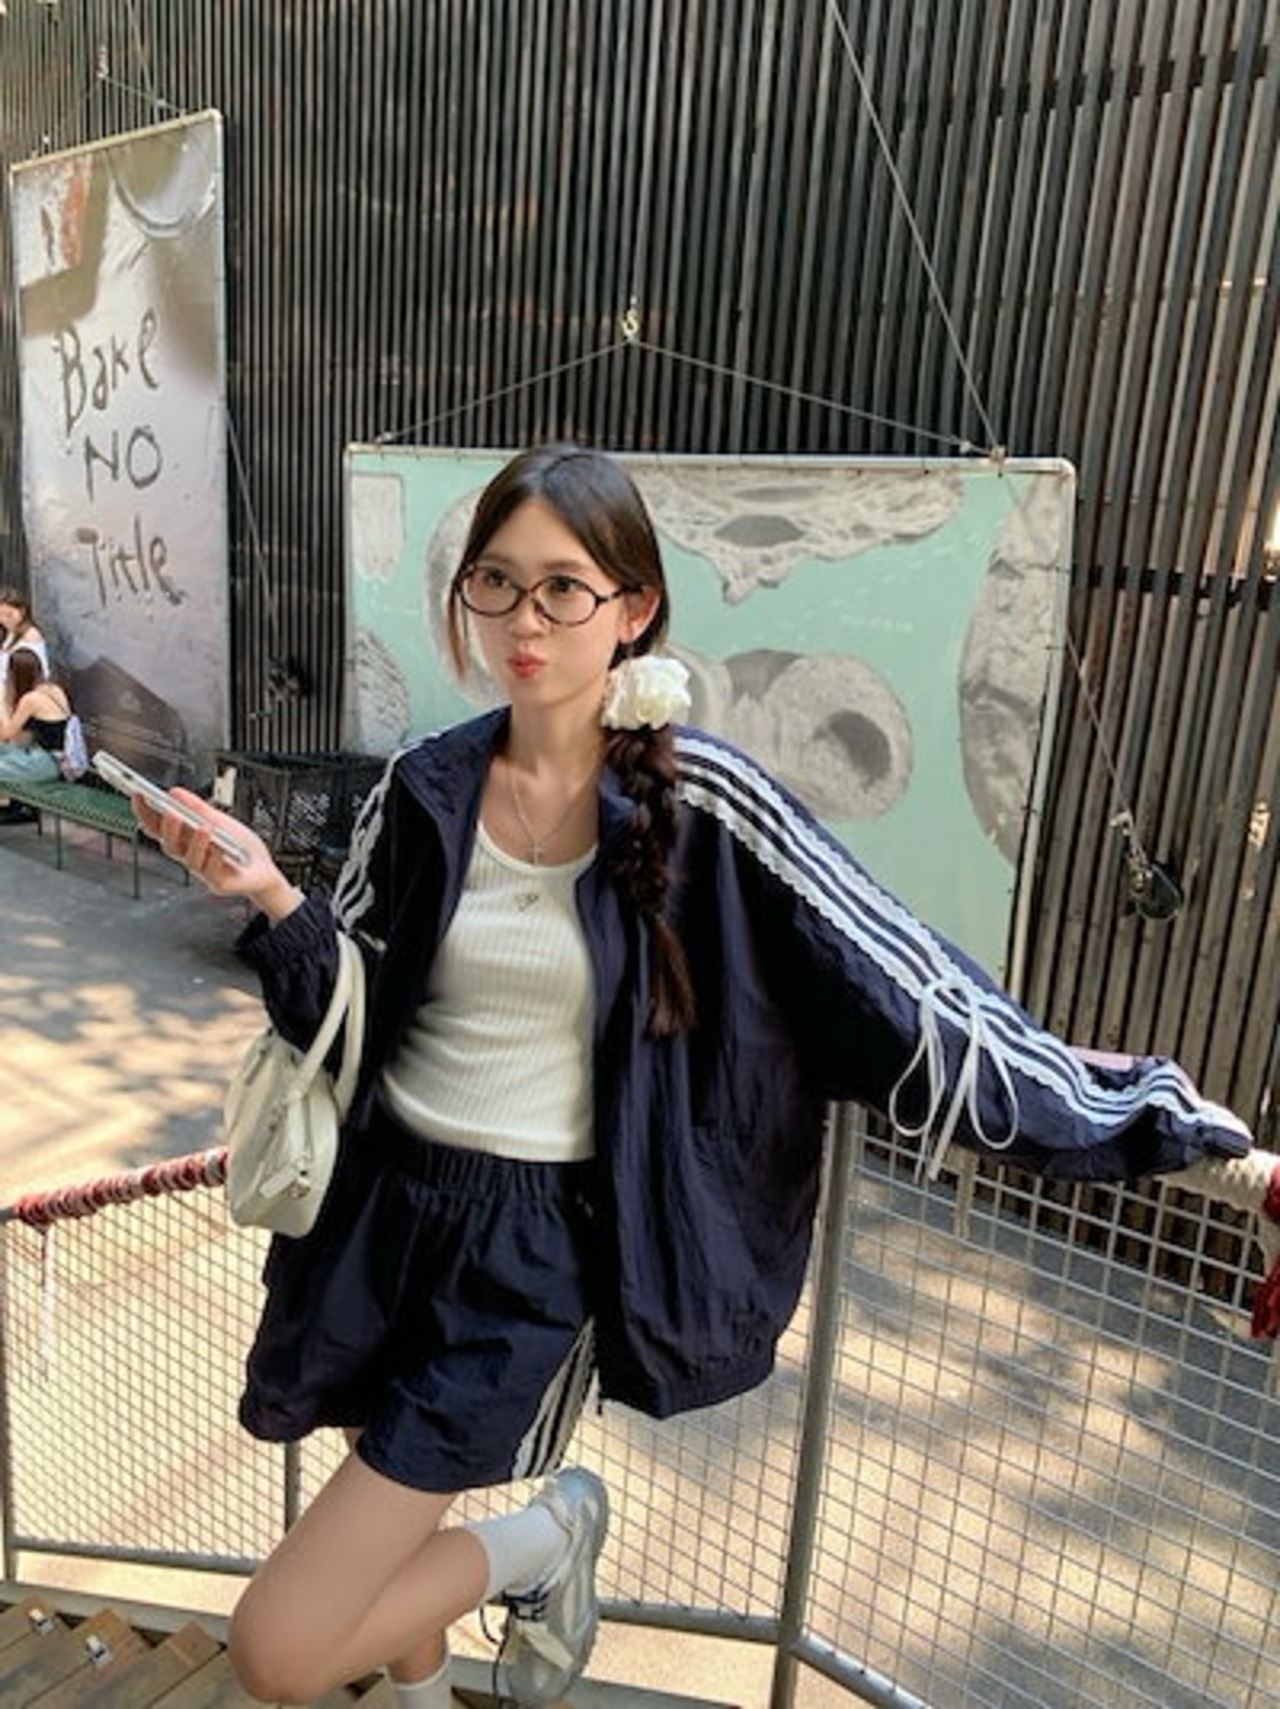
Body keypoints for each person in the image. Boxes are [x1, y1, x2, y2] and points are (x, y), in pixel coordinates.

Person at [131, 445, 1274, 1709]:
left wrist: (1156, 1117)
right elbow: (352, 1016)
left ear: (633, 608)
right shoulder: (427, 784)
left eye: (563, 588)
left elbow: (910, 992)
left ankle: (543, 1537)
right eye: (495, 582)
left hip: (530, 1257)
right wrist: (269, 897)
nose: (523, 620)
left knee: (283, 1647)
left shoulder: (705, 803)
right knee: (388, 1557)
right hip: (387, 1213)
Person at [0, 645, 72, 821]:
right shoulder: (54, 689)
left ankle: (21, 808)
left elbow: (6, 734)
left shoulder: (30, 700)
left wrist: (2, 703)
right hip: (56, 760)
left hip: (45, 764)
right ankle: (18, 807)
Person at [0, 588, 50, 698]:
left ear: (22, 611)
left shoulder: (31, 636)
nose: (5, 620)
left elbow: (39, 671)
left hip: (17, 693)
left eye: (9, 615)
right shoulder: (8, 632)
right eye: (0, 615)